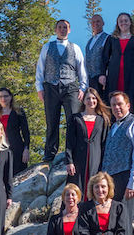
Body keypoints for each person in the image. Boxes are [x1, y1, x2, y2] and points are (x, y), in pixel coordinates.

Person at [36, 19, 87, 163]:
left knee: (73, 119)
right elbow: (40, 69)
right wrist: (39, 88)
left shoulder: (75, 48)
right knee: (51, 120)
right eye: (60, 27)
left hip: (70, 86)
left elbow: (81, 69)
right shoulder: (47, 47)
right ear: (55, 30)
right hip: (51, 87)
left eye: (65, 27)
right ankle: (50, 152)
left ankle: (73, 150)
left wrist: (82, 88)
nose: (62, 29)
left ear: (69, 30)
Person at [101, 91, 134, 235]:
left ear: (128, 105)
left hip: (125, 177)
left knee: (124, 222)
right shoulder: (113, 126)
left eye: (120, 104)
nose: (116, 107)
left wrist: (133, 182)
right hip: (110, 179)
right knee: (112, 221)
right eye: (113, 105)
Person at [65, 88, 111, 196]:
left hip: (96, 159)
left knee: (94, 187)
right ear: (84, 101)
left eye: (94, 98)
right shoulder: (75, 118)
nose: (91, 101)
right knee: (76, 188)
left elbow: (105, 144)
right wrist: (69, 162)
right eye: (88, 98)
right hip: (78, 159)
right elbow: (69, 142)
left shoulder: (103, 120)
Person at [101, 13, 134, 116]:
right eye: (121, 21)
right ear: (117, 24)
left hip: (132, 74)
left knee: (131, 98)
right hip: (114, 75)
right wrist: (102, 74)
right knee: (113, 99)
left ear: (130, 22)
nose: (123, 23)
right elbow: (105, 58)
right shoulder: (112, 38)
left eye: (126, 20)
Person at [0, 88, 30, 175]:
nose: (3, 99)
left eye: (6, 96)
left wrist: (26, 149)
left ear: (10, 97)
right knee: (0, 174)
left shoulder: (18, 112)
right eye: (0, 96)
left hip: (17, 148)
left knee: (18, 174)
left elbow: (26, 132)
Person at [85, 14, 109, 99]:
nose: (95, 24)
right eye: (93, 22)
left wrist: (105, 75)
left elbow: (108, 58)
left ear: (103, 23)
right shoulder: (89, 41)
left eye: (98, 21)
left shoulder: (107, 38)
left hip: (101, 78)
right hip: (90, 78)